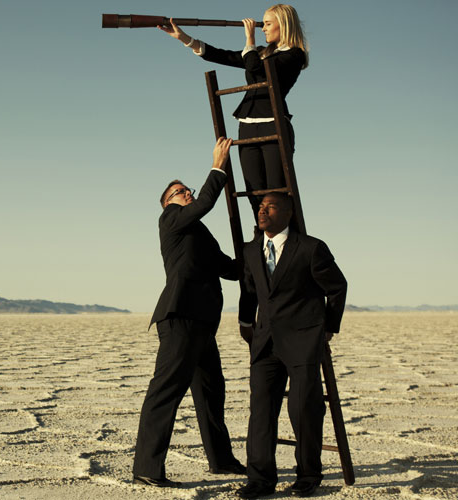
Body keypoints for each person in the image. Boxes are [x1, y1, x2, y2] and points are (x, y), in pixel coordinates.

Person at [133, 137, 246, 488]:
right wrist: (218, 165)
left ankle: (221, 461)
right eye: (181, 192)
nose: (188, 193)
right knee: (166, 391)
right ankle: (147, 469)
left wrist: (261, 253)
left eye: (188, 190)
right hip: (180, 318)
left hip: (202, 323)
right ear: (168, 203)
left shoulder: (197, 232)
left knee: (211, 392)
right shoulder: (171, 220)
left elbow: (228, 268)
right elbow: (206, 203)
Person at [234, 192, 347, 498]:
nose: (262, 210)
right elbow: (249, 291)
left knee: (303, 410)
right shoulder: (252, 250)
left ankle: (308, 475)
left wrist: (327, 329)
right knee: (261, 412)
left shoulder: (310, 248)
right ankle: (260, 480)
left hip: (302, 341)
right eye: (260, 207)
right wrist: (246, 324)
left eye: (270, 206)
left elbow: (337, 287)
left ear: (288, 212)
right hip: (265, 342)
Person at [160, 4, 309, 214]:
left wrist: (249, 40)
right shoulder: (259, 53)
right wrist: (184, 38)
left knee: (276, 191)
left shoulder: (294, 55)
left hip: (273, 125)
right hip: (247, 126)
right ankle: (261, 237)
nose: (262, 28)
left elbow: (256, 70)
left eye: (267, 23)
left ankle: (284, 237)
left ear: (283, 25)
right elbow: (221, 55)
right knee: (253, 190)